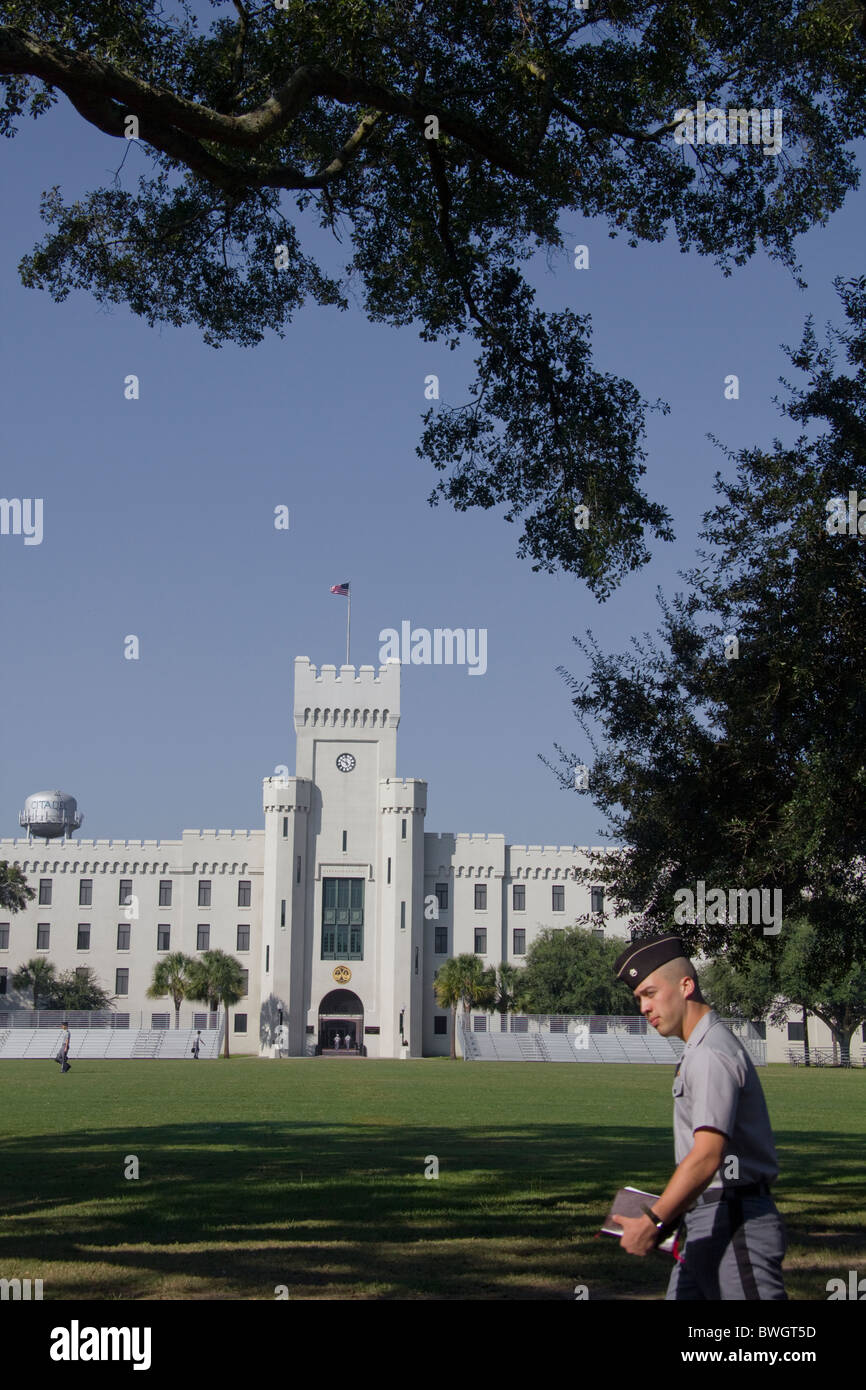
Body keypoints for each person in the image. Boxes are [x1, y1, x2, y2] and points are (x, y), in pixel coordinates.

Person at [610, 933, 787, 1300]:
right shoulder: (699, 1050)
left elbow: (707, 1156)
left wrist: (655, 1219)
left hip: (733, 1217)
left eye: (650, 993)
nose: (643, 1007)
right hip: (708, 1217)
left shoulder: (709, 1053)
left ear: (686, 985)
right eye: (639, 998)